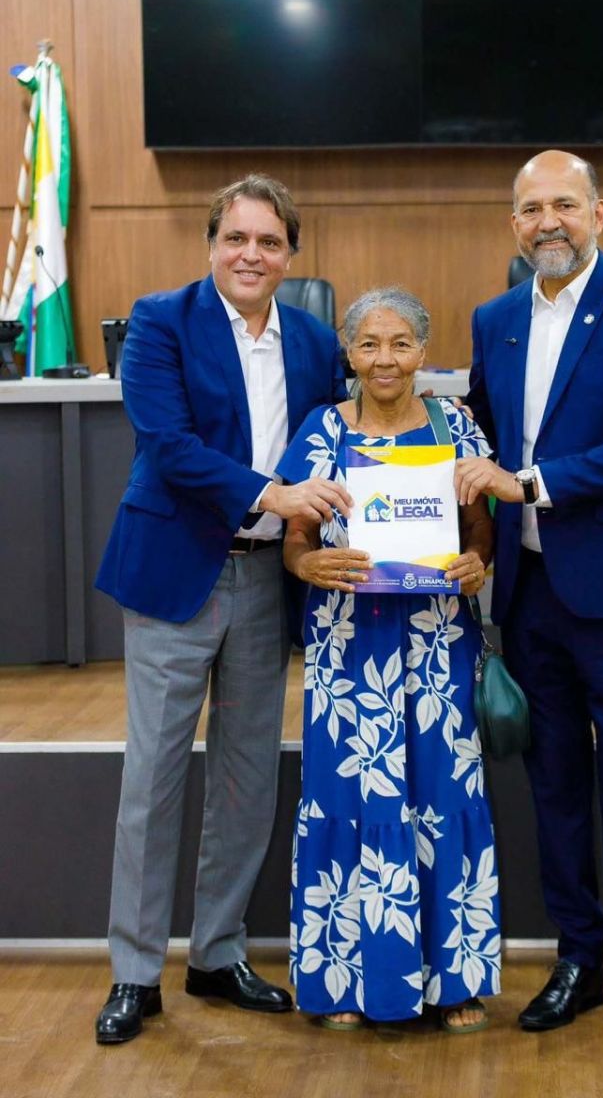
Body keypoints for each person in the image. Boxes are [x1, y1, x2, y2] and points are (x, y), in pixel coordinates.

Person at [93, 174, 351, 1044]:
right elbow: (167, 446)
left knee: (245, 777)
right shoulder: (160, 321)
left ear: (291, 255)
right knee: (154, 778)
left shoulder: (313, 340)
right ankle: (135, 972)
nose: (251, 254)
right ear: (211, 244)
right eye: (236, 238)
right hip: (175, 572)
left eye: (269, 242)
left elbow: (350, 430)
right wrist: (272, 494)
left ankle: (216, 952)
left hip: (268, 581)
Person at [455, 150, 603, 1047]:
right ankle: (577, 961)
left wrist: (525, 484)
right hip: (529, 591)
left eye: (562, 203)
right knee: (551, 781)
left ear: (598, 213)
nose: (545, 221)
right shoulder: (494, 318)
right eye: (529, 208)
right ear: (512, 224)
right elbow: (476, 438)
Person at [278, 286, 500, 1032]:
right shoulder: (320, 430)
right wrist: (306, 566)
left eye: (400, 343)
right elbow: (296, 539)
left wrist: (477, 561)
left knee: (443, 794)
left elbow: (480, 527)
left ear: (422, 352)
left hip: (436, 643)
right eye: (369, 343)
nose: (384, 359)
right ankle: (344, 983)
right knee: (346, 799)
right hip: (347, 647)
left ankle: (454, 982)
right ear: (348, 352)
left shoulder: (455, 426)